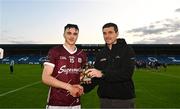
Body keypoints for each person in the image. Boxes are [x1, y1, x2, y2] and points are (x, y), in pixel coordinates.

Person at [83, 23, 136, 108]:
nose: (107, 36)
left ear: (117, 33)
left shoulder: (127, 50)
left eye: (110, 32)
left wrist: (102, 73)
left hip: (124, 100)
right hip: (105, 100)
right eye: (104, 33)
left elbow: (126, 74)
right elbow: (96, 78)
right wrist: (83, 88)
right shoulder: (101, 53)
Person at [42, 24, 87, 109]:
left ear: (78, 35)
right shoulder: (54, 51)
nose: (72, 36)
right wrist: (69, 87)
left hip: (75, 102)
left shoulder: (82, 54)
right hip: (56, 103)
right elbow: (45, 77)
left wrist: (83, 84)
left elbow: (81, 75)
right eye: (69, 33)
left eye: (75, 34)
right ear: (64, 34)